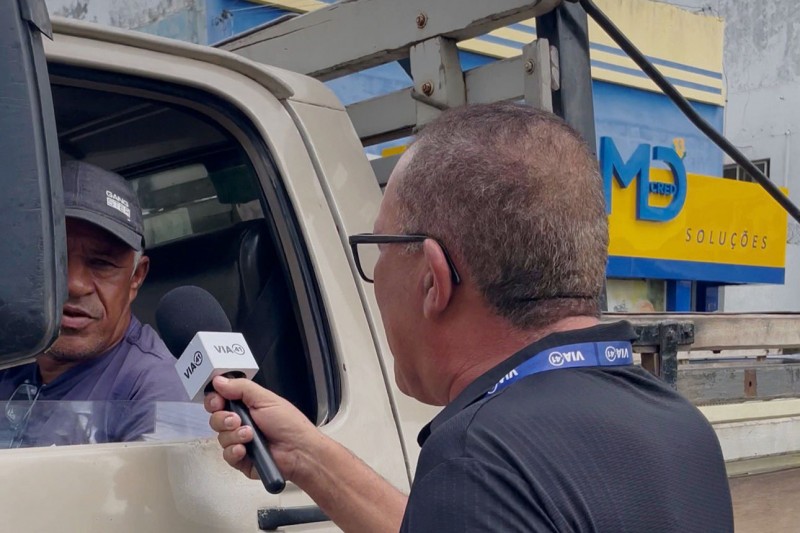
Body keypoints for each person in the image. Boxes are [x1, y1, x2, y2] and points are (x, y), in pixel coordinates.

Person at [205, 103, 734, 531]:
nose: (375, 276)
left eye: (380, 248)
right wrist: (308, 456)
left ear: (433, 280)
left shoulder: (478, 461)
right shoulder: (679, 426)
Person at [0, 160, 188, 447]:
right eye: (55, 259)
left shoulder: (154, 389)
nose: (75, 284)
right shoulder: (11, 351)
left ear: (136, 277)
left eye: (101, 263)